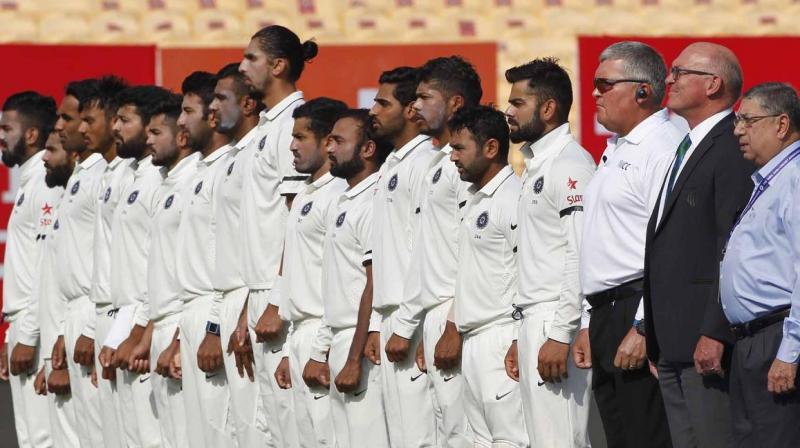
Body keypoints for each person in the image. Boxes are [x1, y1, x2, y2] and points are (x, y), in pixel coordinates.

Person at [644, 42, 753, 448]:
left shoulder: (732, 146)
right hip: (671, 341)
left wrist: (714, 331)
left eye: (679, 72)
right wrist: (652, 329)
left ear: (713, 84)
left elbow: (732, 246)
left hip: (705, 343)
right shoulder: (686, 145)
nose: (668, 80)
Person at [575, 41, 681, 448]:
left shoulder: (663, 146)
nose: (595, 93)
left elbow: (667, 246)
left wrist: (643, 324)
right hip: (606, 314)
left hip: (636, 309)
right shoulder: (614, 148)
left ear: (643, 91)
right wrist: (588, 321)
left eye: (605, 84)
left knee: (648, 436)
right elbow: (599, 242)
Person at [383, 56, 482, 448]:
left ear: (455, 103)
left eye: (425, 97)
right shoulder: (439, 162)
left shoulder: (468, 164)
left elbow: (470, 252)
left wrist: (452, 326)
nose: (416, 107)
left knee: (459, 435)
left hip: (454, 311)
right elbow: (422, 254)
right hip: (428, 314)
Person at [503, 58, 595, 447]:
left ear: (548, 108)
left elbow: (579, 254)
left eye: (518, 103)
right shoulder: (537, 167)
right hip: (533, 321)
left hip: (556, 321)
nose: (508, 112)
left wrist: (560, 333)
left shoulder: (570, 165)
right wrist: (518, 333)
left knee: (564, 440)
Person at [239, 25, 317, 448]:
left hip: (279, 297)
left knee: (290, 429)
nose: (241, 66)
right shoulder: (267, 125)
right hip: (257, 293)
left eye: (251, 57)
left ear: (279, 65)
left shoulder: (293, 122)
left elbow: (295, 221)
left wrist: (275, 297)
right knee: (265, 428)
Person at [304, 109, 392, 448]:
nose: (329, 148)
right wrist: (321, 348)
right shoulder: (343, 199)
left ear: (368, 149)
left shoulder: (372, 201)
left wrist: (354, 358)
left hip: (360, 345)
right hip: (339, 339)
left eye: (339, 141)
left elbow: (373, 282)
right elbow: (336, 286)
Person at [721, 82, 800, 447]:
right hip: (752, 340)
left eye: (748, 120)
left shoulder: (795, 177)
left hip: (777, 337)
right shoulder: (769, 179)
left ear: (781, 125)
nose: (738, 130)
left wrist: (789, 351)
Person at [268, 97, 348, 448]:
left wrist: (321, 349)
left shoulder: (338, 195)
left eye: (301, 137)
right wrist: (288, 349)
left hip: (323, 334)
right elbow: (299, 276)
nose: (292, 146)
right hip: (299, 333)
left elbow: (341, 281)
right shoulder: (305, 194)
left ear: (328, 141)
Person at [366, 65, 438, 448]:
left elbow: (424, 253)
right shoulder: (392, 164)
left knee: (422, 437)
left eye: (382, 102)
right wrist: (380, 324)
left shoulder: (425, 163)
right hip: (393, 318)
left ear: (411, 109)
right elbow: (387, 254)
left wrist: (408, 325)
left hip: (415, 320)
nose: (372, 111)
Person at [449, 105, 528, 447]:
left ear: (491, 148)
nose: (452, 157)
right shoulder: (473, 200)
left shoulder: (513, 197)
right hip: (473, 340)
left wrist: (516, 337)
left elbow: (529, 270)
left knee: (511, 440)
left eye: (459, 148)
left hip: (501, 338)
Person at [102, 85, 174, 448]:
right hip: (124, 322)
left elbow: (155, 267)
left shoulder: (158, 181)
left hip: (144, 324)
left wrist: (139, 332)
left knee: (152, 438)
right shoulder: (129, 175)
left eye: (124, 120)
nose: (115, 127)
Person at [207, 62, 268, 448]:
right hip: (227, 302)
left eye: (221, 98)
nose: (214, 107)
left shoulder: (256, 153)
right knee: (234, 430)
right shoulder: (230, 158)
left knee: (257, 429)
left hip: (251, 300)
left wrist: (246, 313)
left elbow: (266, 239)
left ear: (248, 105)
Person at [173, 70, 234, 448]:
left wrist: (213, 328)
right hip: (190, 313)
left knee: (220, 434)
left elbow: (226, 256)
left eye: (188, 111)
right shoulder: (198, 171)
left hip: (215, 313)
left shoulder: (226, 170)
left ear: (212, 115)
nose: (180, 121)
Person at [1, 91, 59, 448]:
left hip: (36, 329)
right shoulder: (30, 180)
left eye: (7, 128)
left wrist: (29, 334)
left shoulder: (47, 181)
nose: (1, 136)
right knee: (30, 438)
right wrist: (10, 336)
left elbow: (46, 266)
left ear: (32, 134)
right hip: (22, 325)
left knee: (43, 438)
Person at [80, 76, 132, 448]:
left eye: (90, 120)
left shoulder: (133, 174)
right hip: (102, 315)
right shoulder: (105, 174)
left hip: (123, 316)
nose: (83, 129)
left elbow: (133, 262)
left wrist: (121, 331)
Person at [143, 91, 196, 448]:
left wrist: (177, 339)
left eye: (155, 133)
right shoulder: (164, 183)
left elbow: (192, 271)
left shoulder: (193, 181)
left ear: (180, 136)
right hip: (159, 325)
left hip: (183, 325)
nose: (148, 140)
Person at [37, 130, 80, 448]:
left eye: (52, 149)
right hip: (59, 351)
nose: (44, 157)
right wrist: (48, 362)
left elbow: (83, 286)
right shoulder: (65, 200)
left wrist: (62, 362)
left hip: (78, 346)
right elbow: (51, 289)